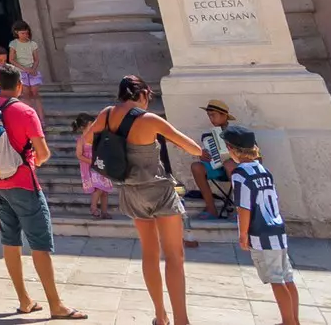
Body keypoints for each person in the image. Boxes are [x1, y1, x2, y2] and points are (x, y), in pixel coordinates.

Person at [81, 76, 209, 325]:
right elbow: (189, 146)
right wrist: (202, 152)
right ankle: (181, 320)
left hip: (130, 191)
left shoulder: (106, 114)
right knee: (174, 256)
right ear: (142, 94)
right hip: (158, 190)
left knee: (149, 253)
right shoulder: (148, 119)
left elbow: (87, 140)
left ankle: (160, 316)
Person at [0, 65, 83, 318]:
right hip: (23, 183)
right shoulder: (24, 110)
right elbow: (42, 154)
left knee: (10, 241)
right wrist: (34, 160)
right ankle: (56, 305)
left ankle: (24, 300)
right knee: (40, 244)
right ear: (19, 85)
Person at [226, 124, 298, 325]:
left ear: (233, 149)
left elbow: (244, 206)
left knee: (276, 279)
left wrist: (243, 234)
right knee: (287, 277)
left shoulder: (240, 174)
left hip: (261, 232)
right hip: (277, 229)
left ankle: (288, 321)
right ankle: (294, 319)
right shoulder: (264, 170)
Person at [191, 100, 234, 219]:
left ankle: (240, 210)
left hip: (234, 170)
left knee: (229, 164)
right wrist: (202, 154)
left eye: (213, 115)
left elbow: (253, 154)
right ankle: (211, 209)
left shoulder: (237, 133)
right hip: (217, 168)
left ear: (224, 116)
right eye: (209, 115)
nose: (211, 119)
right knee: (196, 167)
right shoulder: (208, 136)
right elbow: (208, 156)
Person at [72, 112, 116, 219]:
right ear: (84, 127)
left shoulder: (97, 136)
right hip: (91, 166)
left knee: (104, 190)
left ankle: (104, 211)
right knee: (98, 188)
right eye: (91, 124)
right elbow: (79, 155)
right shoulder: (81, 140)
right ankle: (93, 207)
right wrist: (91, 161)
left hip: (100, 165)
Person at [9, 23, 44, 110]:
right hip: (21, 72)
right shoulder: (14, 44)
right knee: (26, 94)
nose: (25, 35)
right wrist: (24, 69)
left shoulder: (32, 44)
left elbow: (36, 59)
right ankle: (29, 114)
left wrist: (33, 69)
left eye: (26, 33)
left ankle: (41, 117)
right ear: (17, 32)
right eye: (22, 33)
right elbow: (12, 59)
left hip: (32, 71)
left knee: (35, 93)